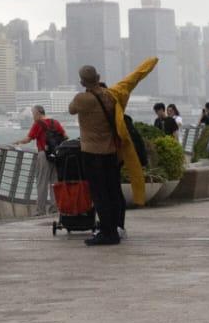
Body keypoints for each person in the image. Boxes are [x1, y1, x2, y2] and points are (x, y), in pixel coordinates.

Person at [67, 58, 158, 247]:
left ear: (82, 82)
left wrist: (87, 90)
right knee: (113, 191)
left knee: (99, 194)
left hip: (92, 153)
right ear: (98, 77)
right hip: (111, 153)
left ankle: (107, 233)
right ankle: (116, 227)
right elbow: (133, 79)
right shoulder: (112, 95)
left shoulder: (82, 99)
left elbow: (71, 110)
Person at [24, 104, 65, 214]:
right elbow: (65, 136)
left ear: (37, 113)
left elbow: (28, 139)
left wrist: (18, 142)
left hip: (43, 154)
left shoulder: (38, 124)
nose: (33, 116)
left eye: (33, 114)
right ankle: (54, 208)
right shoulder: (55, 122)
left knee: (42, 183)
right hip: (55, 155)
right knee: (54, 182)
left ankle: (40, 210)